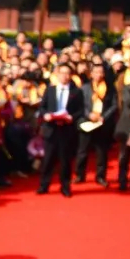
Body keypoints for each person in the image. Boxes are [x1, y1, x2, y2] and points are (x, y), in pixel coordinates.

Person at [36, 63, 85, 198]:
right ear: (57, 74)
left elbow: (81, 110)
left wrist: (72, 117)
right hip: (51, 128)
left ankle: (65, 186)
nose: (64, 76)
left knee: (65, 160)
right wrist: (45, 115)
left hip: (67, 129)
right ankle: (44, 185)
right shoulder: (50, 90)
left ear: (71, 75)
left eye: (67, 73)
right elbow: (42, 107)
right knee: (48, 159)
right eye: (62, 73)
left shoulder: (76, 92)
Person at [75, 62, 116, 187]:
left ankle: (100, 176)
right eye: (96, 72)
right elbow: (80, 105)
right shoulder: (85, 88)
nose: (99, 75)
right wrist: (89, 115)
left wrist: (104, 117)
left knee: (101, 152)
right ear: (91, 74)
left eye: (101, 72)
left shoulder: (110, 88)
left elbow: (114, 105)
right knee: (82, 151)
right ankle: (80, 175)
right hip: (87, 122)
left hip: (102, 123)